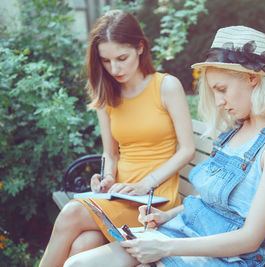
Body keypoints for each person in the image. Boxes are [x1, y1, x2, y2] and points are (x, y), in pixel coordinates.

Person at [63, 25, 265, 267]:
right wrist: (165, 216)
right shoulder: (236, 130)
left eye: (222, 89)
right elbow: (210, 197)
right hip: (182, 234)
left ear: (253, 78)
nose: (219, 102)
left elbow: (250, 239)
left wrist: (165, 247)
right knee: (77, 263)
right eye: (214, 91)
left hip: (223, 258)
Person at [39, 9, 195, 267]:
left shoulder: (166, 86)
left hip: (152, 203)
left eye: (122, 58)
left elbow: (187, 149)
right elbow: (110, 153)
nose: (115, 68)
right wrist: (108, 177)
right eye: (106, 61)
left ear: (140, 48)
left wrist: (145, 184)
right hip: (118, 196)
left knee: (71, 213)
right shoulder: (107, 93)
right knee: (81, 245)